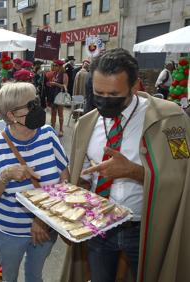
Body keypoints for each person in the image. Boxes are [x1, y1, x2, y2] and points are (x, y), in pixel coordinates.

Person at [62, 48, 190, 282]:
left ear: (134, 86)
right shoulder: (86, 124)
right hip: (99, 227)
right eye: (98, 92)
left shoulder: (169, 121)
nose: (104, 100)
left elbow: (182, 180)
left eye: (114, 94)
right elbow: (82, 178)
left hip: (145, 229)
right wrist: (70, 188)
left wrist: (133, 172)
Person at [0, 82, 70, 282]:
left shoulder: (48, 134)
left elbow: (65, 178)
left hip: (46, 227)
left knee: (35, 275)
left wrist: (41, 218)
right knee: (7, 276)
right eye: (30, 105)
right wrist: (6, 175)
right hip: (10, 232)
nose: (38, 108)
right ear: (11, 115)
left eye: (36, 101)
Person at [45, 59, 68, 137]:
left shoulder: (64, 74)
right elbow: (53, 83)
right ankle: (52, 127)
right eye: (53, 65)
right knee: (53, 112)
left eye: (55, 65)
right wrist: (50, 84)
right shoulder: (55, 73)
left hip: (60, 96)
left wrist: (55, 83)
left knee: (60, 113)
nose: (53, 67)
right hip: (53, 94)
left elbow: (65, 86)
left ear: (60, 66)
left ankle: (61, 129)